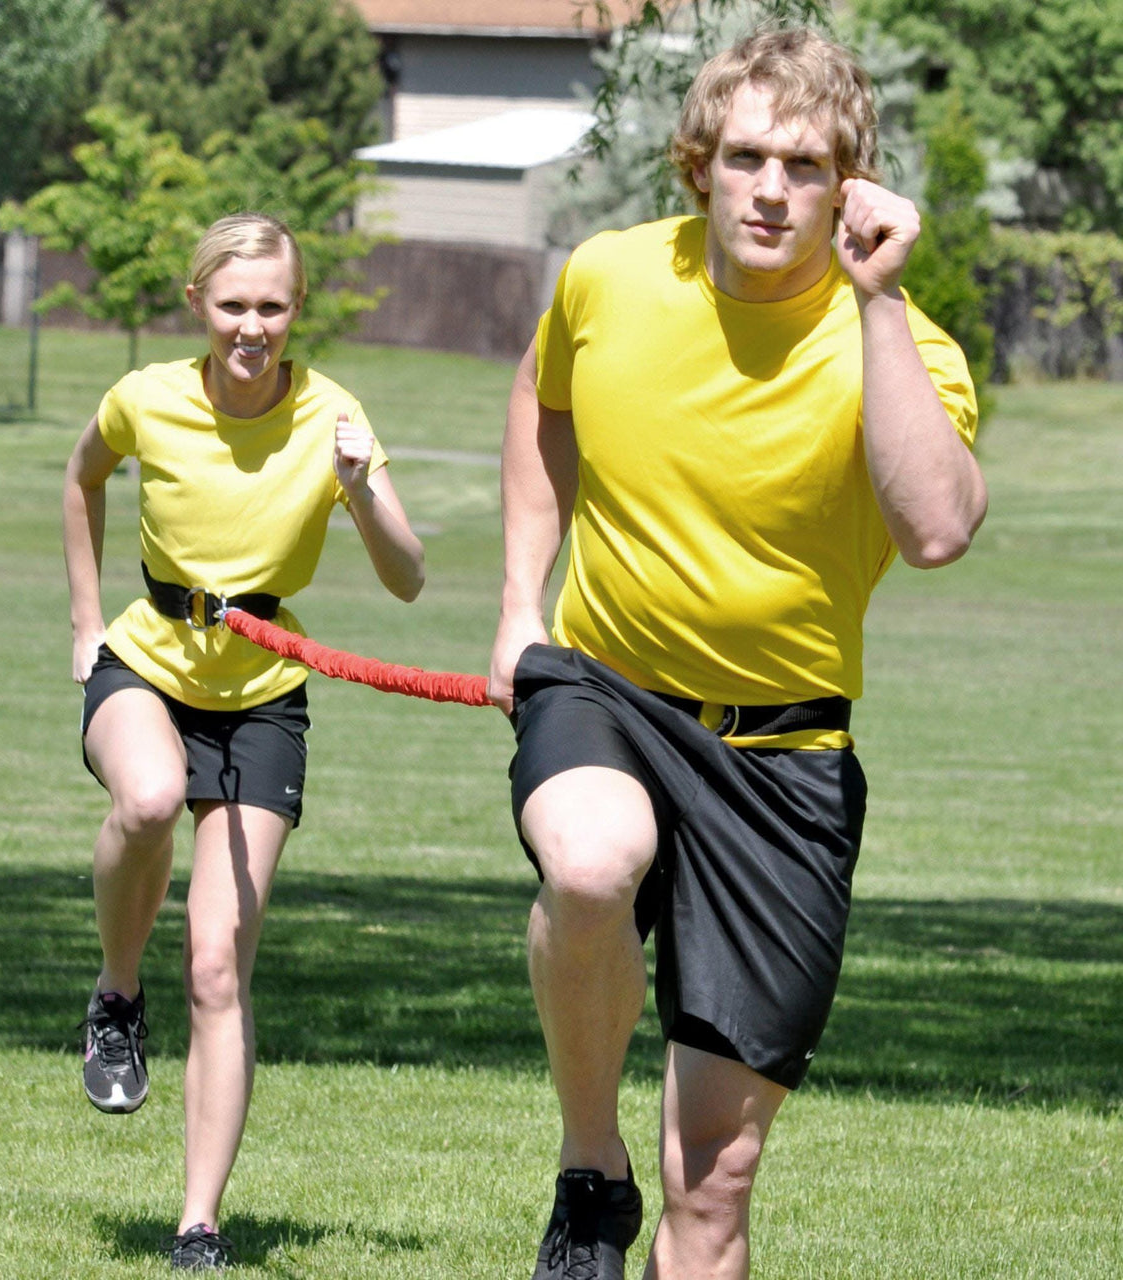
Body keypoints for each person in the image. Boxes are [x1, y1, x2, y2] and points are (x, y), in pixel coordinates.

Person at [488, 26, 986, 1280]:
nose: (772, 187)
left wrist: (872, 300)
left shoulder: (901, 344)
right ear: (699, 161)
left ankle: (649, 1195)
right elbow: (541, 398)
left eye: (806, 165)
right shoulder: (607, 276)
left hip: (785, 753)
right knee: (590, 864)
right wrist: (515, 600)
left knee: (713, 1183)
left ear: (849, 185)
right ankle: (588, 1162)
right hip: (605, 681)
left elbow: (934, 528)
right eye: (748, 155)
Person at [63, 212, 424, 1271]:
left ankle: (197, 1224)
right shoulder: (145, 397)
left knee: (219, 964)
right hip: (147, 663)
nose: (252, 327)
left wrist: (359, 491)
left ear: (295, 309)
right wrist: (85, 626)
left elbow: (407, 576)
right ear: (197, 305)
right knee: (144, 795)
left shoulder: (332, 413)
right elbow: (81, 478)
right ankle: (117, 992)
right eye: (233, 306)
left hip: (264, 692)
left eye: (272, 306)